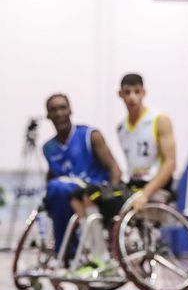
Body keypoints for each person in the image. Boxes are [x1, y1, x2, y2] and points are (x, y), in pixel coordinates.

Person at [42, 94, 122, 254]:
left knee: (59, 188)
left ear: (70, 110)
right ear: (48, 115)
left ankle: (70, 253)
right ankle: (67, 254)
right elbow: (52, 176)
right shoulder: (49, 147)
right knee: (56, 189)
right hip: (65, 198)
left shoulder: (90, 135)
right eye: (53, 110)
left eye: (62, 108)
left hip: (91, 193)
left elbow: (114, 168)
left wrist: (112, 195)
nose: (58, 113)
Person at [116, 73, 177, 212]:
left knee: (126, 204)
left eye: (136, 92)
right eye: (127, 92)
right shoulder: (120, 128)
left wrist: (146, 193)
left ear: (143, 93)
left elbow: (170, 163)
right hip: (134, 183)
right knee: (95, 196)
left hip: (157, 185)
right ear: (120, 94)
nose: (132, 97)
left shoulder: (159, 120)